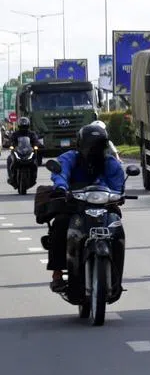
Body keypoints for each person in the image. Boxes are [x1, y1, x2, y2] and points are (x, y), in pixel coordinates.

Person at [44, 123, 126, 293]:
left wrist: (119, 195)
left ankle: (116, 275)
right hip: (75, 204)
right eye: (90, 145)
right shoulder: (70, 158)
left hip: (104, 204)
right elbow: (61, 173)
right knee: (60, 224)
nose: (94, 150)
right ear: (81, 145)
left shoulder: (110, 162)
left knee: (117, 227)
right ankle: (57, 274)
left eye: (98, 145)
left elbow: (117, 184)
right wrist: (61, 188)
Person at [7, 116, 42, 185]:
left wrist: (37, 145)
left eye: (25, 126)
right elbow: (11, 140)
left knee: (35, 162)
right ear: (19, 126)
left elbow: (35, 140)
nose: (23, 128)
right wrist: (10, 145)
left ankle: (33, 177)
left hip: (29, 152)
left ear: (28, 125)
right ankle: (11, 177)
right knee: (9, 159)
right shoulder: (15, 134)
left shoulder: (32, 134)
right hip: (18, 152)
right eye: (22, 126)